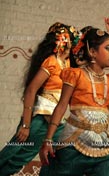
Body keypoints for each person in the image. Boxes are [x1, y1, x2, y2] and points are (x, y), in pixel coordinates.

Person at [39, 26, 109, 175]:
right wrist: (48, 140)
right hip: (73, 143)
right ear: (92, 52)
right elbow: (62, 105)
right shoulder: (75, 75)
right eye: (108, 48)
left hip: (101, 146)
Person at [0, 22, 78, 175]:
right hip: (40, 120)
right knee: (13, 157)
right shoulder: (51, 61)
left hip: (56, 123)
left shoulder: (68, 63)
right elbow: (31, 90)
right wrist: (26, 125)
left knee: (58, 156)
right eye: (70, 38)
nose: (73, 43)